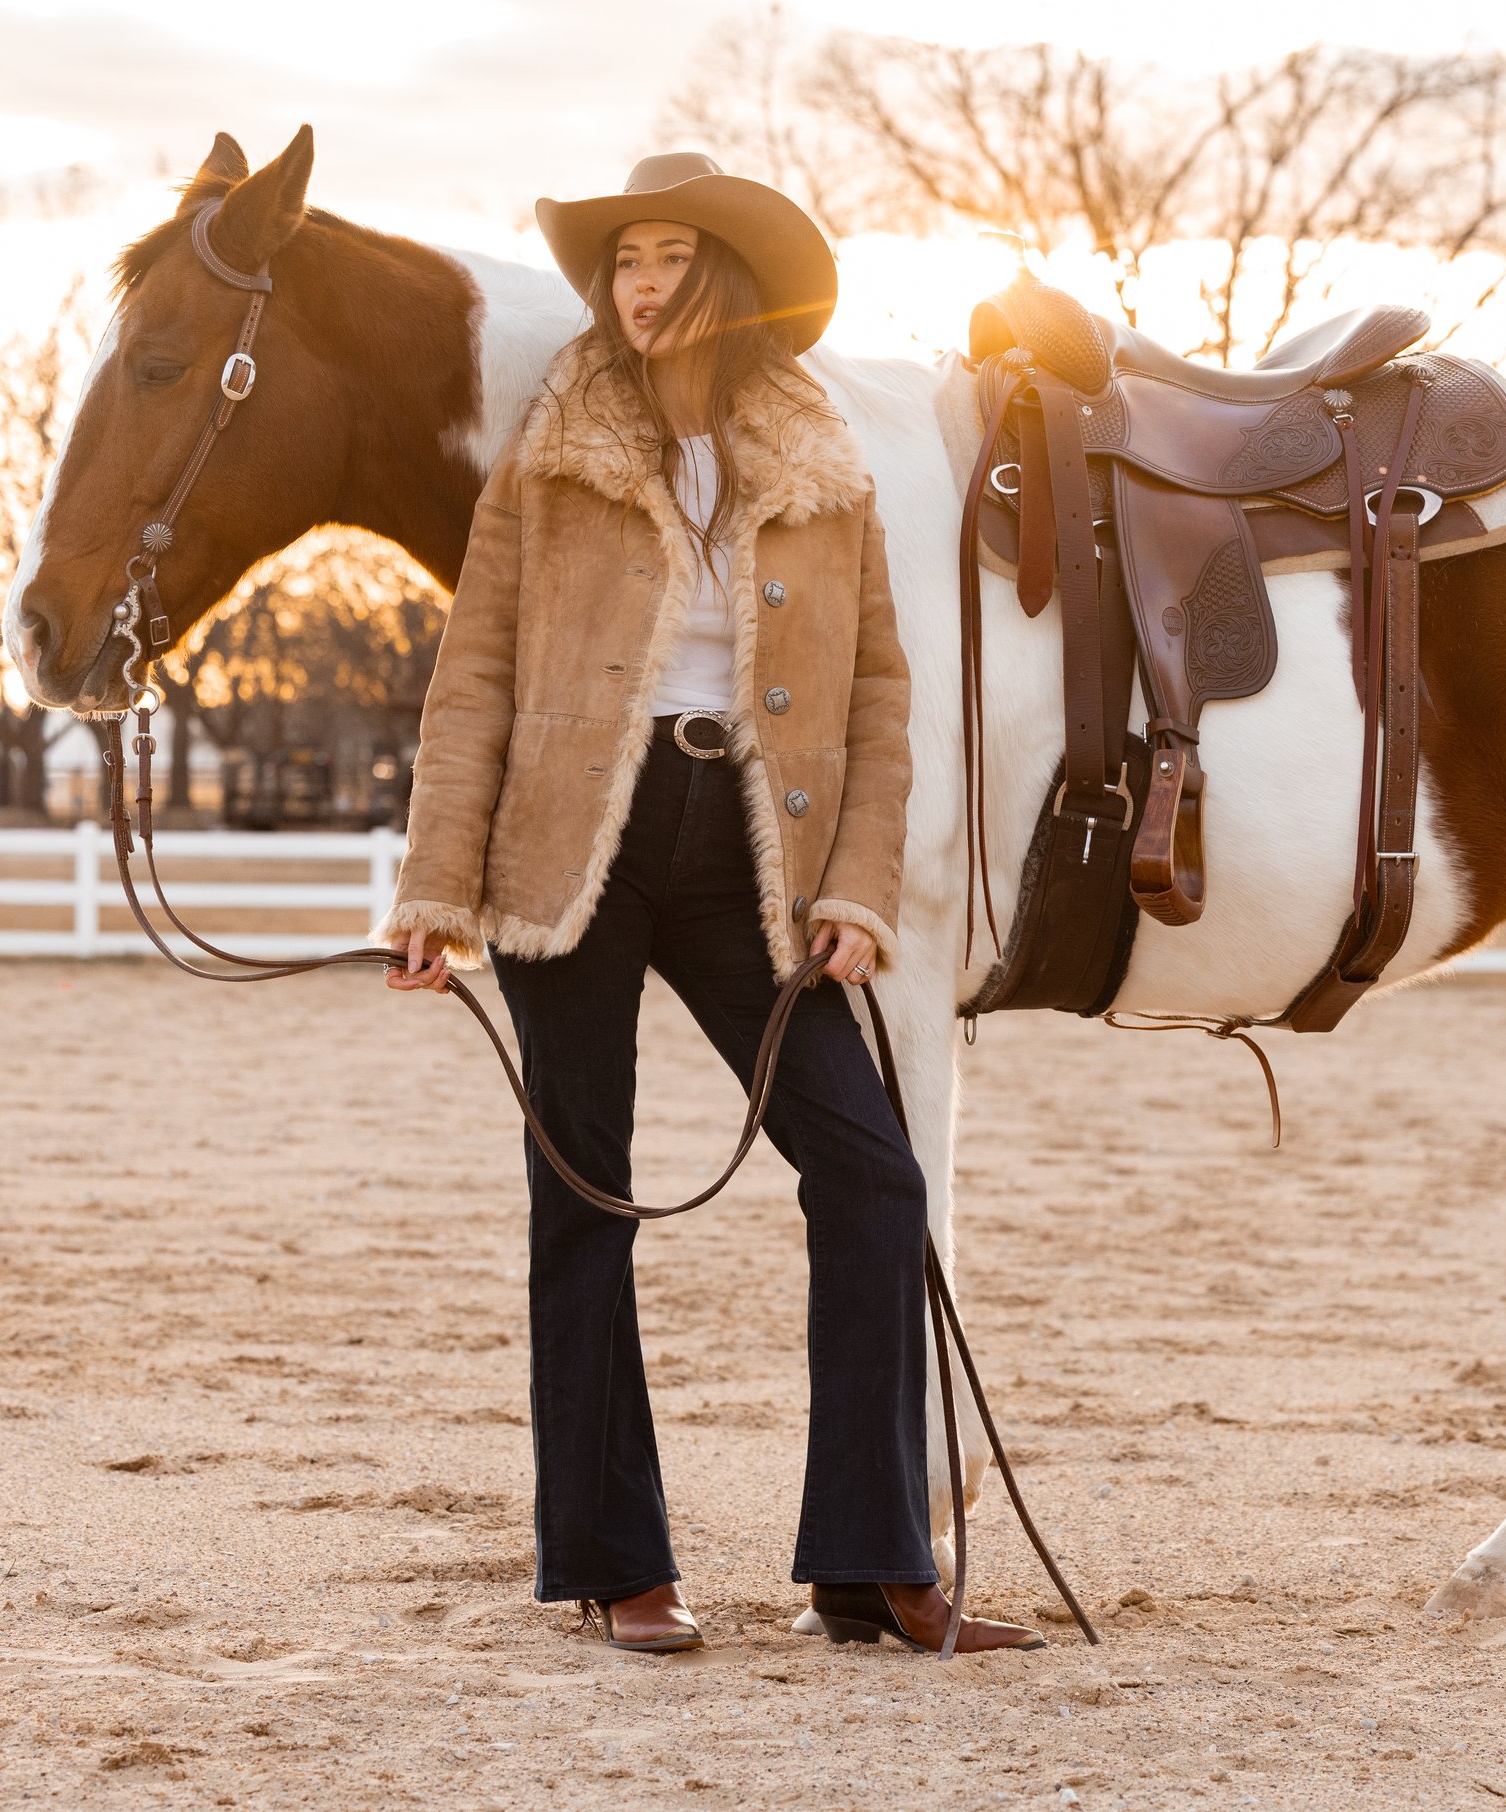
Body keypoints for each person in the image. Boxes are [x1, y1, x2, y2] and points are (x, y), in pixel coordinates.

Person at [380, 153, 1039, 1657]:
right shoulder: (551, 448)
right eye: (626, 260)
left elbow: (879, 692)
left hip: (752, 847)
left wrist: (858, 886)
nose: (644, 283)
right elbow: (475, 671)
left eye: (673, 256)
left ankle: (868, 1561)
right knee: (585, 1197)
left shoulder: (817, 457)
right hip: (573, 849)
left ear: (727, 279)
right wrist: (435, 884)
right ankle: (617, 1561)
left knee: (872, 1177)